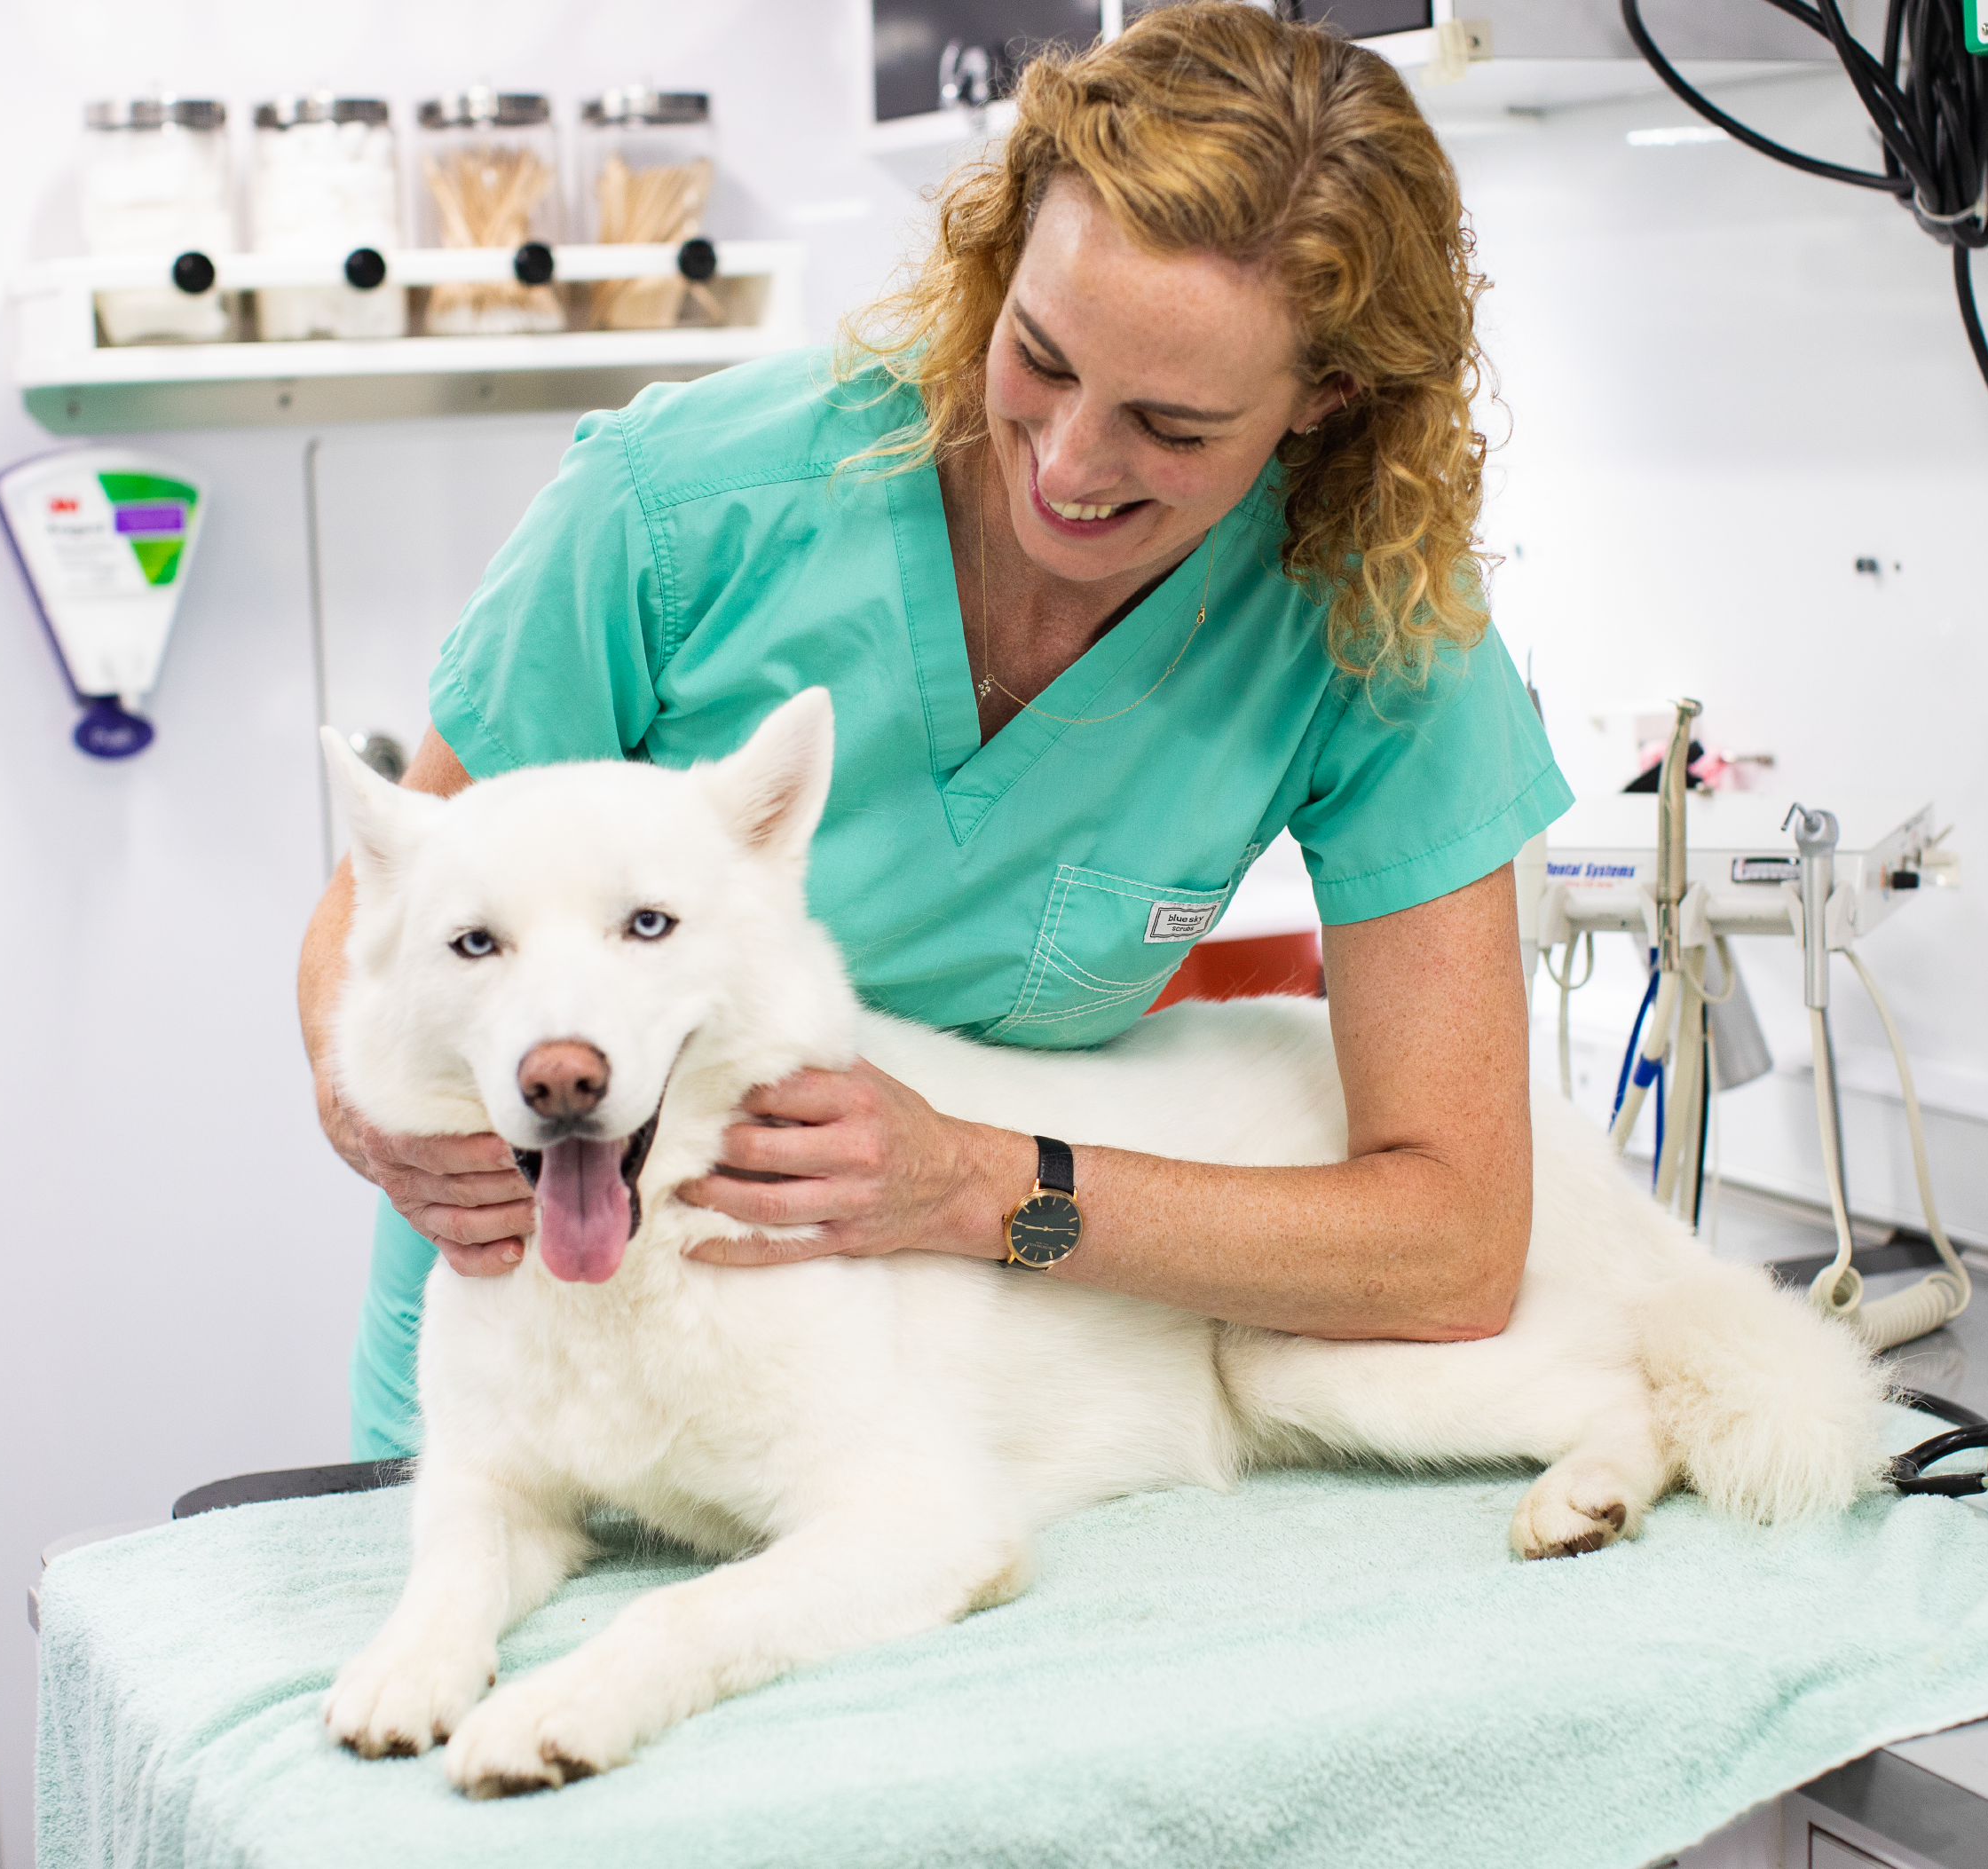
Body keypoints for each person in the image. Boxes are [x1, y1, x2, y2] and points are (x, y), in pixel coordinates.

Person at [299, 1, 1572, 1462]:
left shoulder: (1368, 619)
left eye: (1171, 425)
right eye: (1039, 354)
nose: (1073, 462)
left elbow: (1456, 1239)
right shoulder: (682, 512)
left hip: (945, 1409)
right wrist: (381, 1117)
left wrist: (977, 1182)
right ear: (1001, 254)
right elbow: (374, 911)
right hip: (543, 1358)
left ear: (1322, 403)